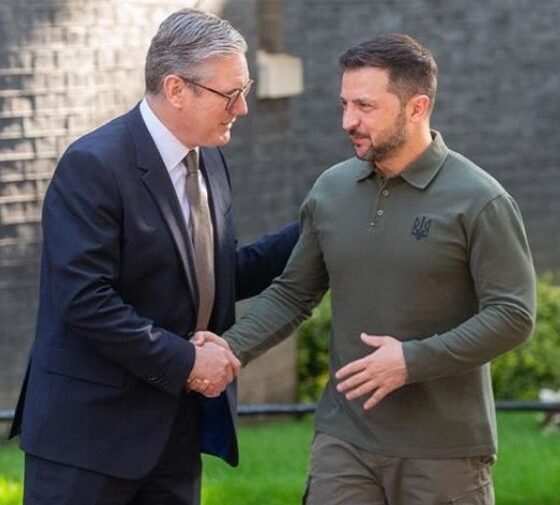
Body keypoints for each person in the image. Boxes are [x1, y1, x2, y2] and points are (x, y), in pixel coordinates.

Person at [196, 34, 536, 504]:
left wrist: (410, 361)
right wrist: (230, 349)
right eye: (345, 104)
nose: (348, 121)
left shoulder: (480, 200)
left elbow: (513, 315)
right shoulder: (331, 190)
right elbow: (293, 293)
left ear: (416, 108)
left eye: (365, 106)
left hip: (443, 450)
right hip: (345, 440)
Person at [9, 8, 298, 505]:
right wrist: (188, 361)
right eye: (231, 93)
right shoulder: (93, 165)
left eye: (246, 89)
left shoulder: (210, 159)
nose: (243, 108)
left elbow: (214, 276)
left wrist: (315, 228)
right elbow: (85, 301)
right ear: (176, 89)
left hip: (173, 435)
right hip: (87, 439)